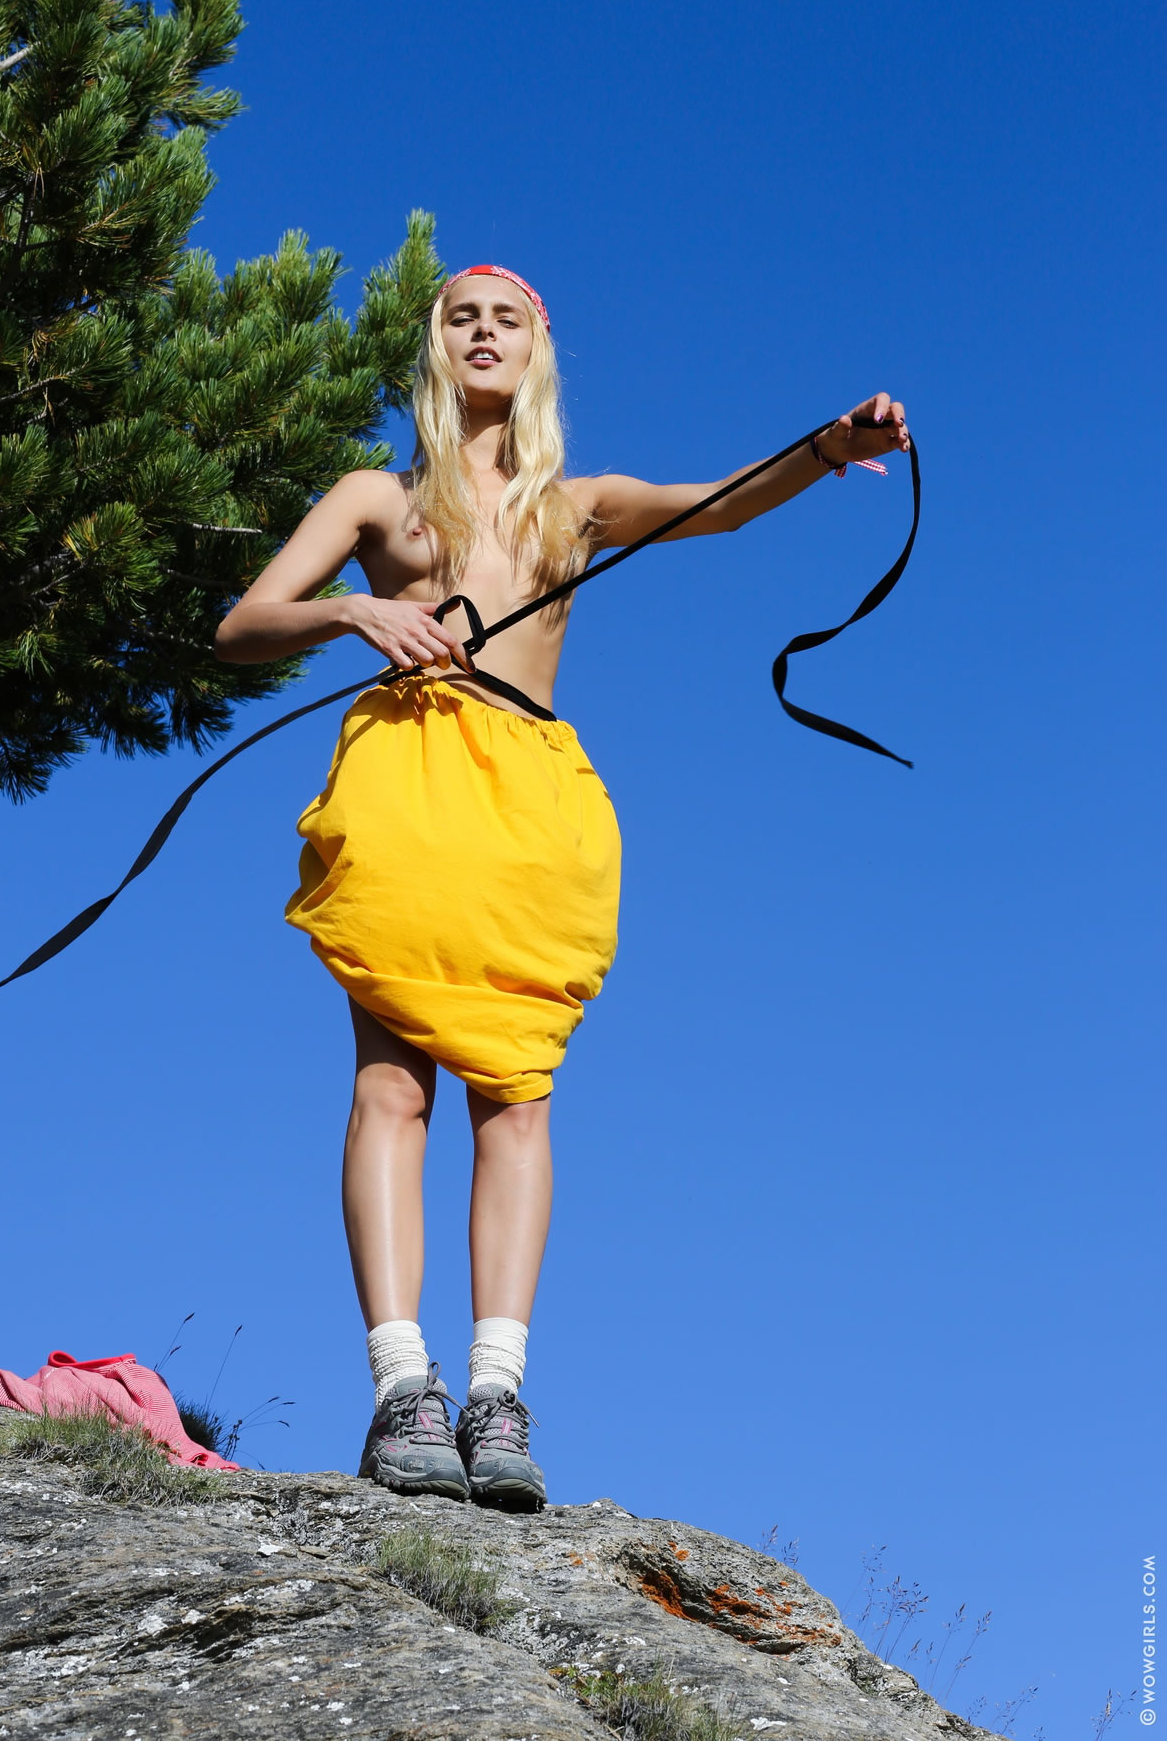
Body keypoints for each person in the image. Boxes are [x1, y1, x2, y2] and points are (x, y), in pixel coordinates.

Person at [214, 265, 908, 1509]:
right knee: (390, 1084)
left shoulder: (575, 505)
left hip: (533, 803)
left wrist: (827, 446)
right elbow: (243, 624)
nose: (483, 333)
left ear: (538, 349)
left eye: (506, 319)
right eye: (460, 317)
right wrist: (357, 615)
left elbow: (719, 507)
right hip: (410, 777)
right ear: (435, 347)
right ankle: (401, 1385)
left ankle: (496, 1393)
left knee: (517, 1097)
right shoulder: (378, 496)